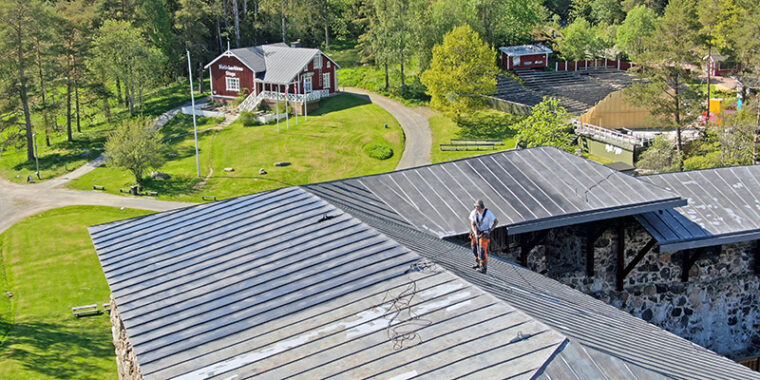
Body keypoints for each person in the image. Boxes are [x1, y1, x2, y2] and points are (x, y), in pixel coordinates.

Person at [469, 199, 497, 274]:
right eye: (475, 206)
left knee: (482, 250)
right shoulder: (473, 213)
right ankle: (478, 263)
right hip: (476, 232)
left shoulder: (488, 213)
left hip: (484, 233)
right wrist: (475, 232)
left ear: (481, 207)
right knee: (474, 248)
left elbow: (496, 221)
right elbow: (472, 223)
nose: (476, 208)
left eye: (478, 207)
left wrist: (490, 230)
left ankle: (484, 267)